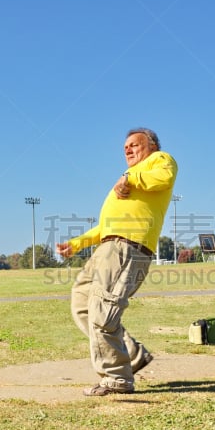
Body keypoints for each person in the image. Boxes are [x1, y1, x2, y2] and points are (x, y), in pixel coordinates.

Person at [56, 128, 178, 396]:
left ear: (152, 146)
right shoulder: (129, 179)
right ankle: (131, 355)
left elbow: (165, 177)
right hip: (108, 246)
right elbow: (105, 226)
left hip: (128, 247)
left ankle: (117, 378)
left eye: (135, 145)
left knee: (103, 310)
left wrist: (129, 177)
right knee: (82, 304)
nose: (128, 150)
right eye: (125, 148)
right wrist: (76, 244)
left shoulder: (160, 160)